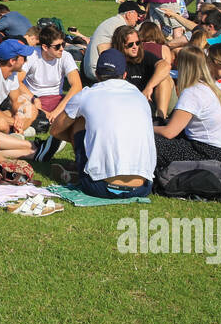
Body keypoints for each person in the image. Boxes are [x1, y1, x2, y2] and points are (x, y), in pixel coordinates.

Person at [46, 49, 156, 199]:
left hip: (102, 187)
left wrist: (82, 140)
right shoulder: (140, 97)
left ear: (97, 75)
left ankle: (85, 168)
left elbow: (55, 129)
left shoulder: (86, 95)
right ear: (124, 75)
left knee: (80, 120)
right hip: (143, 187)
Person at [153, 46, 221, 173]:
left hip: (210, 154)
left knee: (149, 141)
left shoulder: (193, 92)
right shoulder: (213, 86)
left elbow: (170, 132)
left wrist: (145, 128)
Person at [110, 24, 173, 120]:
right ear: (120, 44)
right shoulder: (114, 59)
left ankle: (161, 119)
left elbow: (165, 66)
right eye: (130, 44)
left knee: (165, 79)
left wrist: (149, 87)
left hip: (153, 99)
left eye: (138, 43)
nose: (135, 47)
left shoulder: (144, 55)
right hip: (130, 103)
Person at [22, 24, 82, 116]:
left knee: (82, 104)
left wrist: (56, 112)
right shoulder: (31, 55)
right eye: (57, 46)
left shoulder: (66, 56)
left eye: (63, 44)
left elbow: (77, 86)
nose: (62, 49)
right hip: (35, 99)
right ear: (45, 47)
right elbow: (17, 81)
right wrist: (34, 99)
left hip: (57, 100)